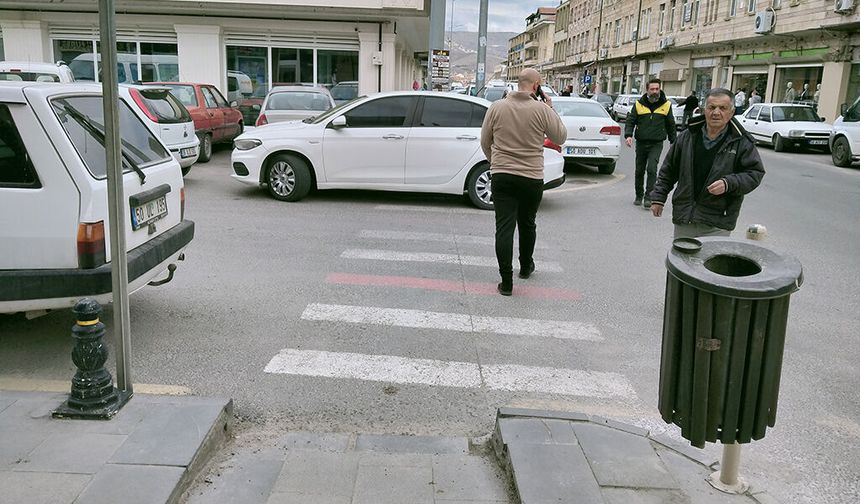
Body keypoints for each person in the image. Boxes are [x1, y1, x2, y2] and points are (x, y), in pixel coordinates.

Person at [480, 68, 567, 296]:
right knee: (528, 223)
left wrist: (496, 162)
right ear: (536, 85)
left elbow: (485, 141)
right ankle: (526, 266)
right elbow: (560, 137)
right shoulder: (541, 109)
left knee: (504, 227)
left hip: (503, 176)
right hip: (531, 177)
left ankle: (506, 282)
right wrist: (550, 108)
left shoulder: (497, 108)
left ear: (518, 84)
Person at [648, 88, 765, 239]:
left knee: (712, 262)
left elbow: (755, 173)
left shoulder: (742, 142)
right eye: (711, 107)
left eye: (722, 108)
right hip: (685, 217)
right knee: (682, 261)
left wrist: (729, 183)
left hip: (718, 221)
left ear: (732, 112)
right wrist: (658, 197)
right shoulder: (687, 136)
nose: (716, 112)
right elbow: (669, 170)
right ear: (704, 110)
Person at [624, 78, 677, 209]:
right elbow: (631, 121)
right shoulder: (638, 104)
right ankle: (639, 195)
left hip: (656, 143)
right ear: (647, 90)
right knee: (639, 170)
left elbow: (671, 125)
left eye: (657, 89)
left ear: (660, 89)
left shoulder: (666, 105)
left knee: (652, 169)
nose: (655, 91)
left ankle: (649, 197)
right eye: (652, 89)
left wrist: (673, 142)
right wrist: (628, 135)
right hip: (641, 142)